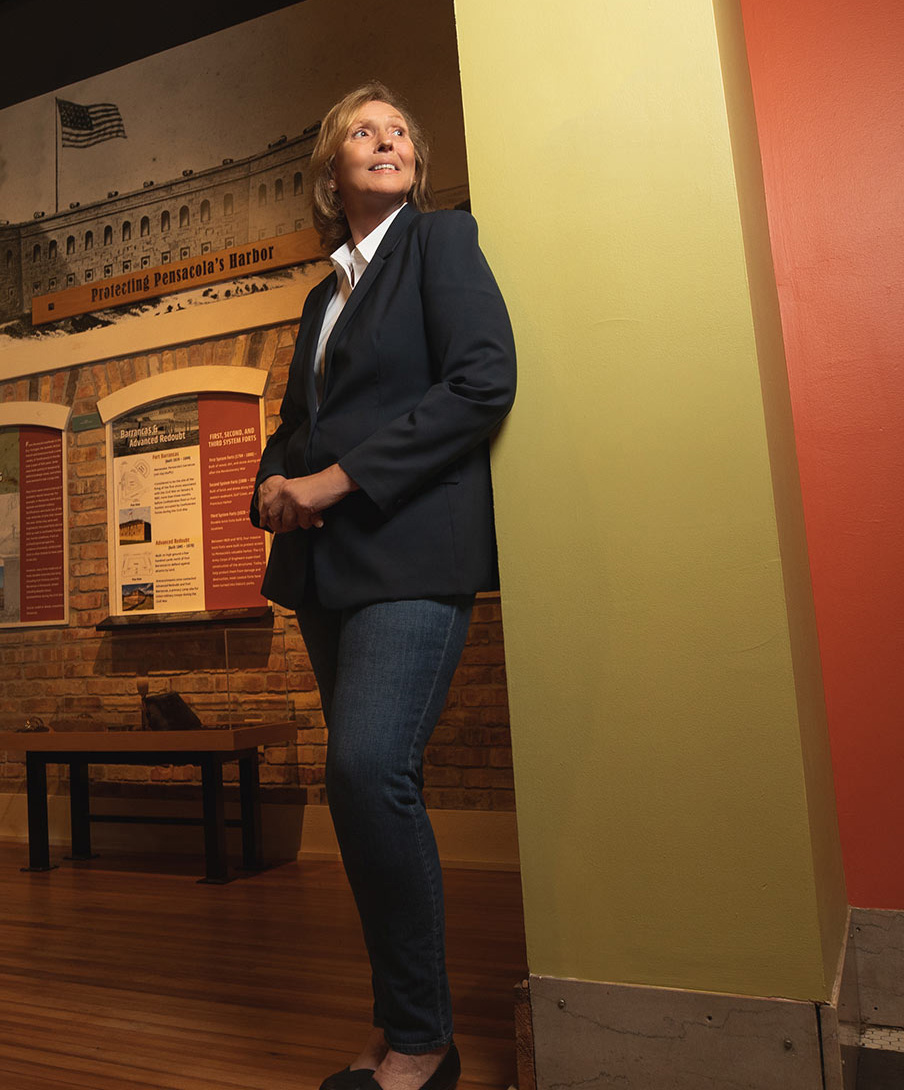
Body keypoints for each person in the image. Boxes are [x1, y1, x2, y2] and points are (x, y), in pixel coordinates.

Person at [251, 82, 515, 1090]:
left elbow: (482, 379)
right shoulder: (321, 297)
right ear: (329, 171)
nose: (386, 141)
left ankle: (423, 1041)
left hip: (411, 552)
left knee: (369, 774)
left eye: (397, 131)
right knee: (355, 796)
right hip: (325, 570)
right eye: (362, 131)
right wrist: (274, 482)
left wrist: (332, 479)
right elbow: (294, 426)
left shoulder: (440, 245)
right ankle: (398, 1023)